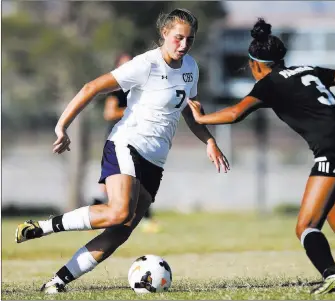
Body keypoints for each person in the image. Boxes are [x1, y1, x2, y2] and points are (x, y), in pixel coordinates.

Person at [187, 18, 335, 295]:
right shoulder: (309, 70)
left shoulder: (268, 84)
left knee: (306, 226)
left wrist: (201, 117)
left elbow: (236, 113)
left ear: (255, 64)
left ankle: (331, 275)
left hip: (334, 149)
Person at [15, 8, 230, 294]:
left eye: (189, 40)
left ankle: (57, 282)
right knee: (118, 211)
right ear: (164, 34)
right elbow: (92, 87)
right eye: (178, 38)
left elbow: (190, 111)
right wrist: (62, 126)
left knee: (122, 229)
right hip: (127, 144)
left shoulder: (191, 67)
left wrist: (210, 141)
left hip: (155, 160)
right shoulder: (145, 65)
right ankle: (44, 227)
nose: (183, 45)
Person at [95, 52, 160, 234]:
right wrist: (134, 111)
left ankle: (144, 219)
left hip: (139, 140)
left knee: (138, 182)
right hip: (119, 142)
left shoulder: (141, 89)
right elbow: (109, 113)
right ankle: (94, 217)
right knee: (110, 187)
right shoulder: (117, 91)